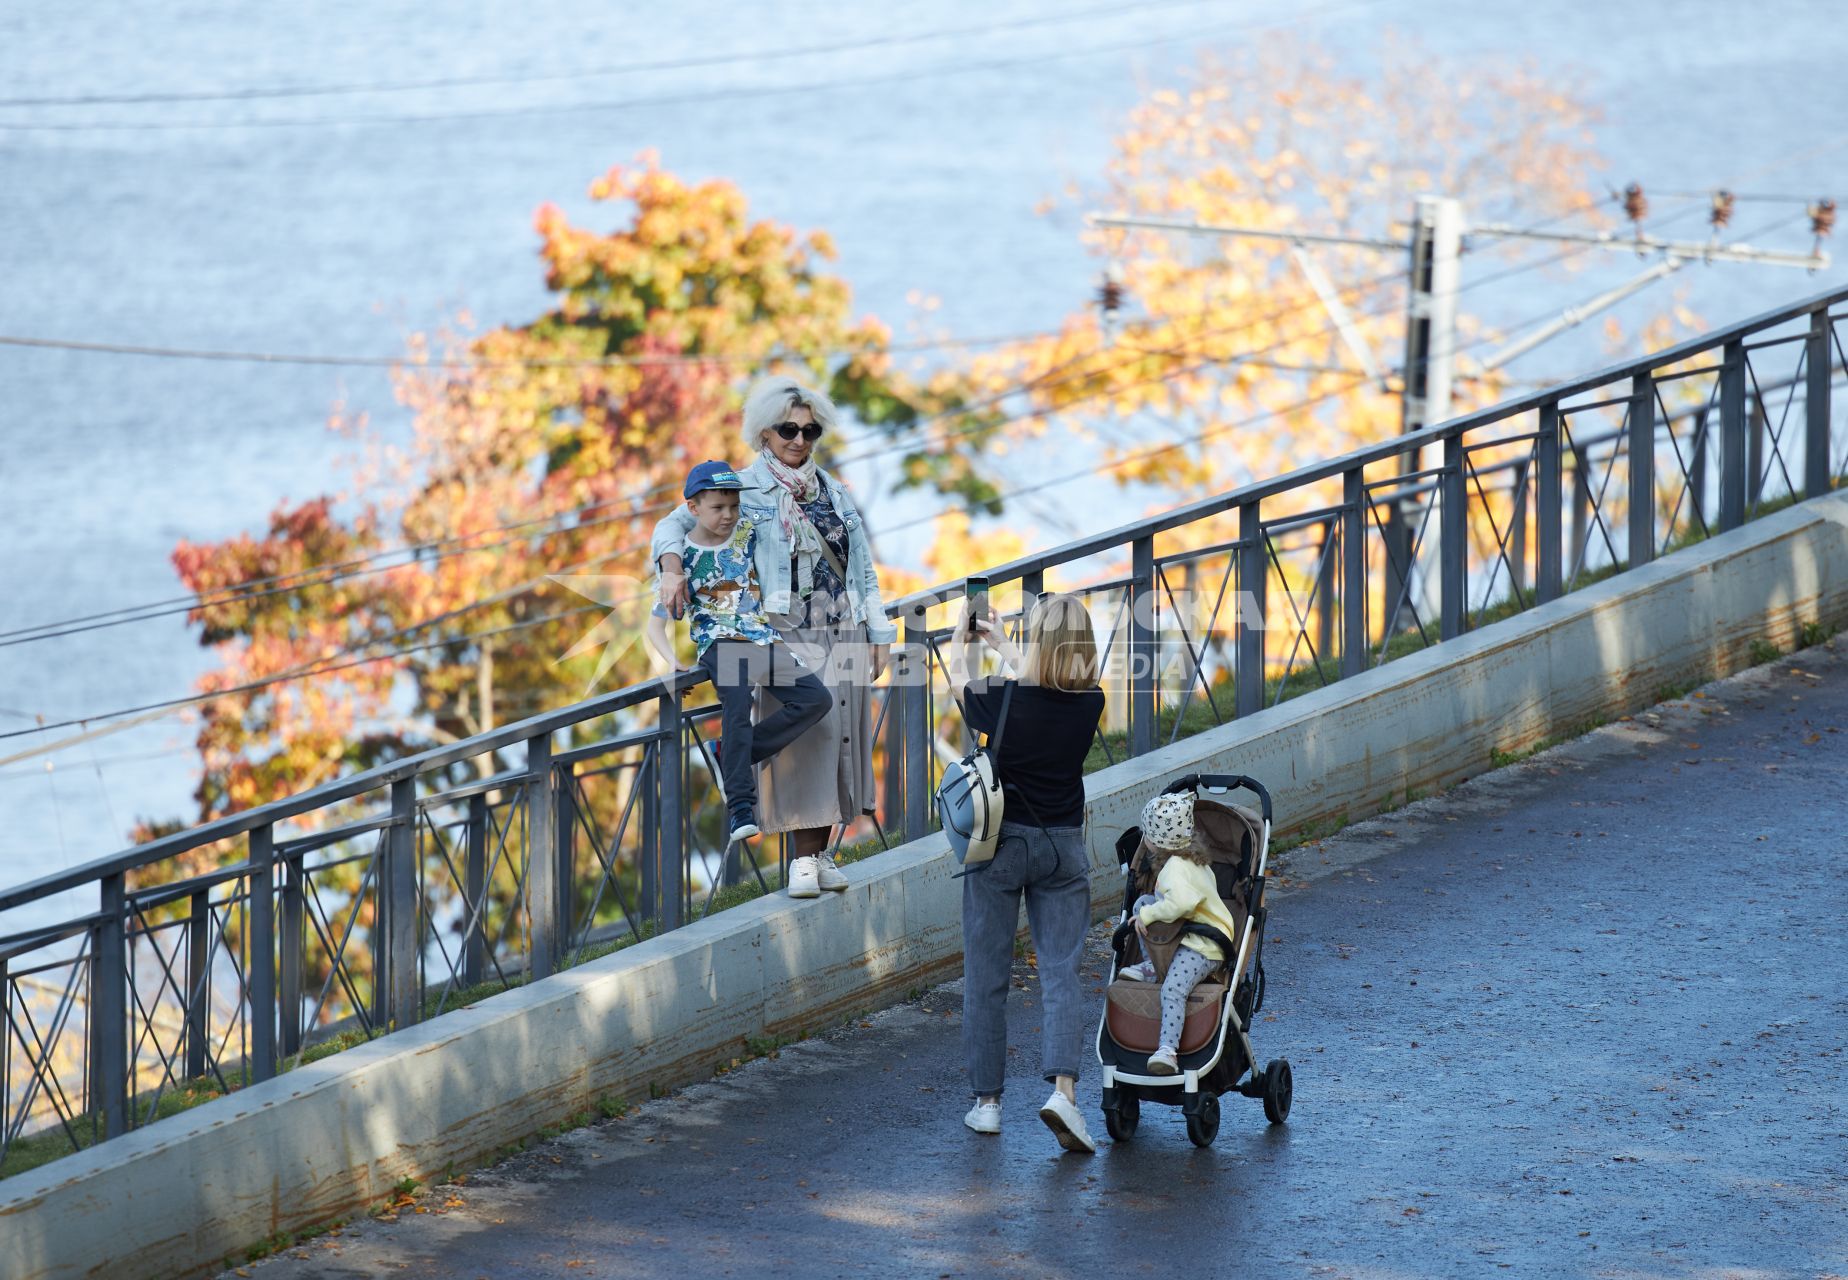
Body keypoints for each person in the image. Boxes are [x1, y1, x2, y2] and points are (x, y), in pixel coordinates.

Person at [653, 377, 895, 899]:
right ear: (764, 433)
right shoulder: (741, 488)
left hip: (844, 625)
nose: (800, 440)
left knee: (845, 744)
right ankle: (802, 861)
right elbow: (671, 526)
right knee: (816, 737)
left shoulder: (832, 491)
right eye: (789, 429)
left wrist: (880, 632)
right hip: (787, 628)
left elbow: (864, 571)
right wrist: (671, 570)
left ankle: (821, 850)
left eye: (811, 431)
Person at [948, 592, 1106, 1155]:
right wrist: (1011, 648)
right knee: (1061, 972)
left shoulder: (1001, 697)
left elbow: (961, 681)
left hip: (1001, 845)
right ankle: (1064, 1093)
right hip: (1063, 848)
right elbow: (1052, 681)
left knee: (986, 974)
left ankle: (987, 1105)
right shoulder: (1091, 701)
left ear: (1036, 642)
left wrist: (966, 638)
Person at [646, 460, 832, 853]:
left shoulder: (746, 532)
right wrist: (669, 663)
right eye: (718, 508)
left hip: (761, 639)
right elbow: (654, 627)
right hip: (720, 643)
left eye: (733, 506)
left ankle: (725, 753)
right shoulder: (682, 563)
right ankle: (741, 808)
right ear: (693, 509)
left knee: (816, 699)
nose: (728, 515)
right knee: (737, 709)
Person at [1124, 790, 1239, 1075]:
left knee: (1173, 988)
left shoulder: (1175, 869)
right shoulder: (1194, 860)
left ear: (1155, 843)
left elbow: (1181, 903)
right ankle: (1152, 965)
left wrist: (1149, 915)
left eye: (1147, 835)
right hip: (1189, 932)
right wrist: (1146, 911)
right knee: (1142, 903)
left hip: (1205, 946)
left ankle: (1167, 1050)